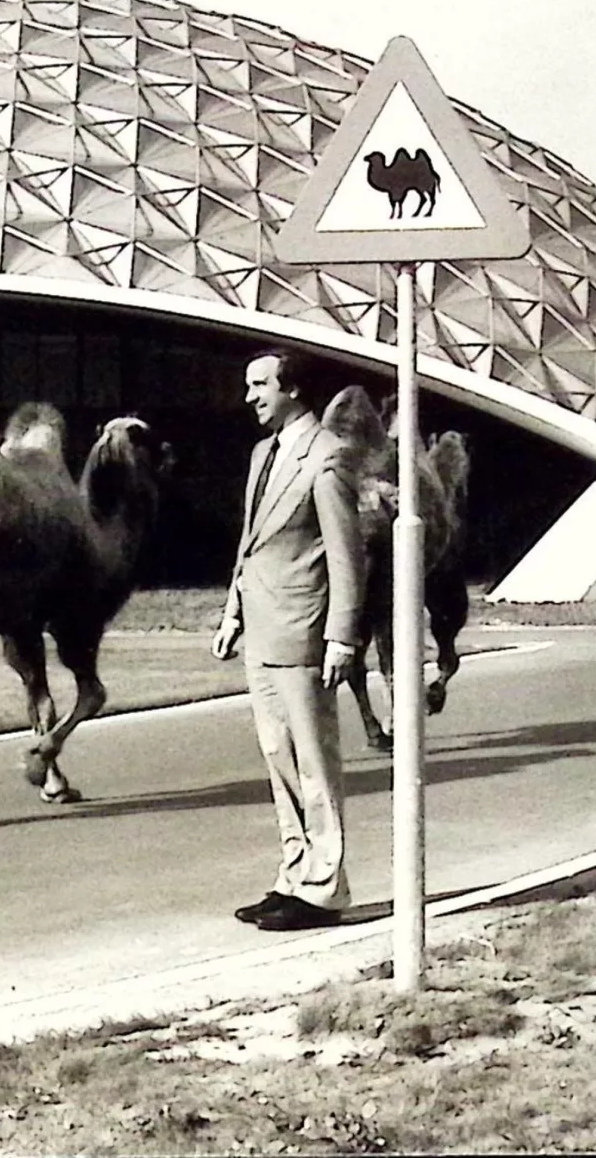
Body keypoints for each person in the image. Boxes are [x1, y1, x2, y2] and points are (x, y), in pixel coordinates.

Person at [213, 349, 365, 932]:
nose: (250, 396)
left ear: (293, 389)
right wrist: (232, 612)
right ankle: (296, 871)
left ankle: (326, 887)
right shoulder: (262, 456)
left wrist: (342, 637)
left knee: (313, 762)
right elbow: (250, 544)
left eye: (260, 385)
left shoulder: (325, 459)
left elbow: (346, 555)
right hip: (263, 628)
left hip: (304, 631)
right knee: (278, 756)